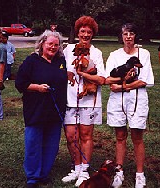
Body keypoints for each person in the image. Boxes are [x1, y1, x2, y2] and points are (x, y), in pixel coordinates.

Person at [15, 30, 67, 188]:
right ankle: (32, 176)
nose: (53, 47)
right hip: (36, 110)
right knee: (33, 143)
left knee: (51, 144)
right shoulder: (32, 60)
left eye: (56, 45)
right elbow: (20, 83)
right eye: (50, 44)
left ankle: (44, 173)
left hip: (55, 110)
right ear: (42, 44)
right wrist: (37, 87)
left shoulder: (61, 61)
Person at [105, 23, 154, 188]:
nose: (128, 37)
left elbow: (144, 80)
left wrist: (123, 86)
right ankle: (119, 172)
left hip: (138, 101)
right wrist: (121, 84)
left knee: (137, 138)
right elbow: (109, 80)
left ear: (135, 36)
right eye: (125, 34)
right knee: (120, 137)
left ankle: (140, 175)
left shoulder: (144, 54)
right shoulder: (114, 55)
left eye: (131, 34)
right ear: (121, 36)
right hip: (118, 101)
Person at [62, 16, 105, 187]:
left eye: (89, 32)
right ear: (77, 32)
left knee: (86, 135)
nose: (85, 34)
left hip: (89, 101)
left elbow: (101, 78)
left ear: (92, 34)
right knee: (71, 136)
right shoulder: (68, 49)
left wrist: (85, 74)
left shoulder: (97, 53)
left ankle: (85, 170)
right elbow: (62, 70)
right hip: (70, 99)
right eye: (82, 31)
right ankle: (76, 168)